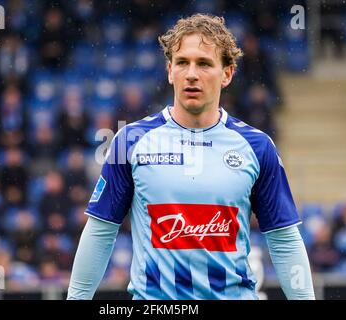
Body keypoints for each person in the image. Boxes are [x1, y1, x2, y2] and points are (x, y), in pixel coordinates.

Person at [67, 13, 315, 300]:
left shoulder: (257, 147)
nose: (192, 74)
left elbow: (284, 240)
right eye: (183, 62)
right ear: (170, 70)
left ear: (227, 73)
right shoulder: (130, 141)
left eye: (204, 63)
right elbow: (100, 232)